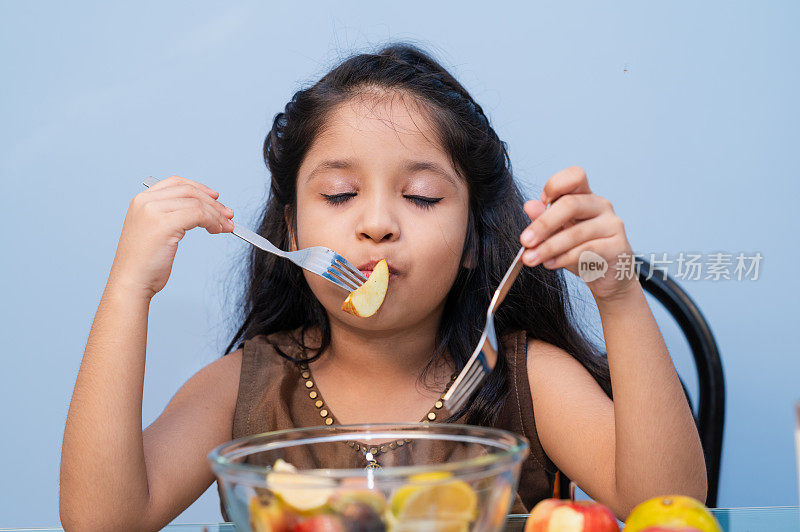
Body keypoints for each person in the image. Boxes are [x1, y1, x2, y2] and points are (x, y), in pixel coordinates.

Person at [59, 43, 706, 530]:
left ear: (476, 242)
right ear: (290, 229)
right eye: (340, 194)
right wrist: (127, 291)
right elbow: (101, 522)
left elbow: (667, 505)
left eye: (421, 198)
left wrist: (618, 294)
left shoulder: (526, 379)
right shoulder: (243, 389)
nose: (376, 225)